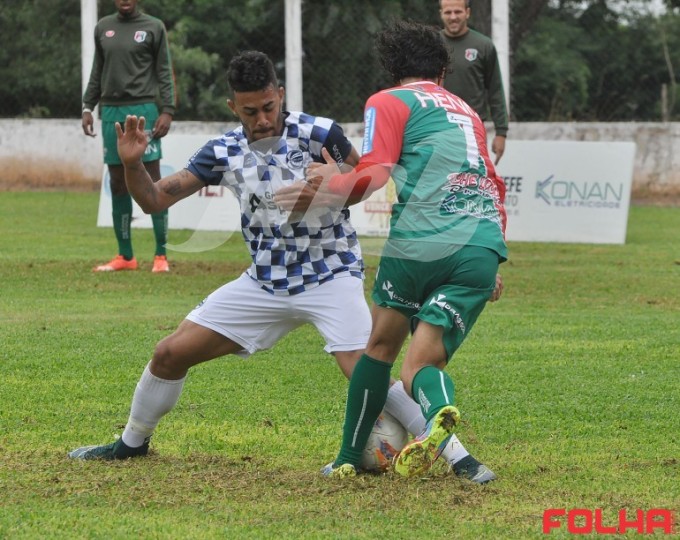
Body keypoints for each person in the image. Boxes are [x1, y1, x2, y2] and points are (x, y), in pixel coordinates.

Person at [68, 50, 495, 484]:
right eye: (250, 111)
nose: (262, 119)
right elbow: (155, 199)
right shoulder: (223, 151)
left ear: (281, 95)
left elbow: (364, 183)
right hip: (264, 282)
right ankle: (131, 444)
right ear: (233, 107)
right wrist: (133, 164)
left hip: (332, 273)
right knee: (168, 353)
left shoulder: (319, 133)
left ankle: (459, 456)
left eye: (269, 107)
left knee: (368, 366)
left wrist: (331, 189)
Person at [275, 20, 507, 478]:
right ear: (442, 71)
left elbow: (376, 173)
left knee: (379, 348)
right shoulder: (467, 110)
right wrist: (491, 259)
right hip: (481, 243)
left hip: (420, 241)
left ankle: (345, 460)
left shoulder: (388, 100)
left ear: (393, 68)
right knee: (422, 363)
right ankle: (441, 414)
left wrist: (328, 189)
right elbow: (493, 183)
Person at [82, 0, 176, 273]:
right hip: (111, 112)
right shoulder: (103, 27)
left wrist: (167, 110)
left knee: (153, 179)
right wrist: (89, 106)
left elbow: (164, 71)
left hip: (144, 108)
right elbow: (97, 70)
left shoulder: (153, 27)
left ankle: (161, 255)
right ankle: (126, 256)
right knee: (117, 182)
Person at [439, 0, 508, 165]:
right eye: (448, 13)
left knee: (471, 180)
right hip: (437, 125)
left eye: (458, 12)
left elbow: (495, 90)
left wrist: (501, 132)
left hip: (472, 127)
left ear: (467, 13)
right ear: (441, 13)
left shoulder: (484, 45)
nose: (453, 17)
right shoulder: (431, 44)